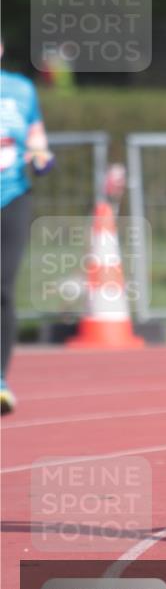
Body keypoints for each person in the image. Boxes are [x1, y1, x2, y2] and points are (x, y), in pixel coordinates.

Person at [1, 44, 55, 414]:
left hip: (12, 196)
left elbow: (37, 141)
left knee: (2, 288)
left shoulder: (21, 90)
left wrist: (40, 157)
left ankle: (0, 381)